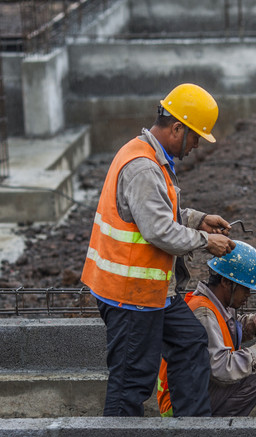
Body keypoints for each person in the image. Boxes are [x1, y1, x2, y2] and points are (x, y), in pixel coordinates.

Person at [81, 83, 236, 417]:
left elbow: (157, 212)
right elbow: (160, 231)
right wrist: (207, 241)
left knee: (190, 342)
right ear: (177, 127)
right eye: (195, 137)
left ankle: (193, 431)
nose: (195, 146)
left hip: (153, 293)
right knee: (131, 381)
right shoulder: (143, 167)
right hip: (130, 296)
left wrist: (199, 220)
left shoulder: (152, 158)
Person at [155, 241, 256, 417]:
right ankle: (218, 432)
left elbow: (225, 330)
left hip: (193, 389)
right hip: (178, 404)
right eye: (245, 288)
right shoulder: (204, 313)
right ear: (225, 281)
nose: (248, 295)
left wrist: (251, 325)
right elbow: (223, 369)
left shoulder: (218, 304)